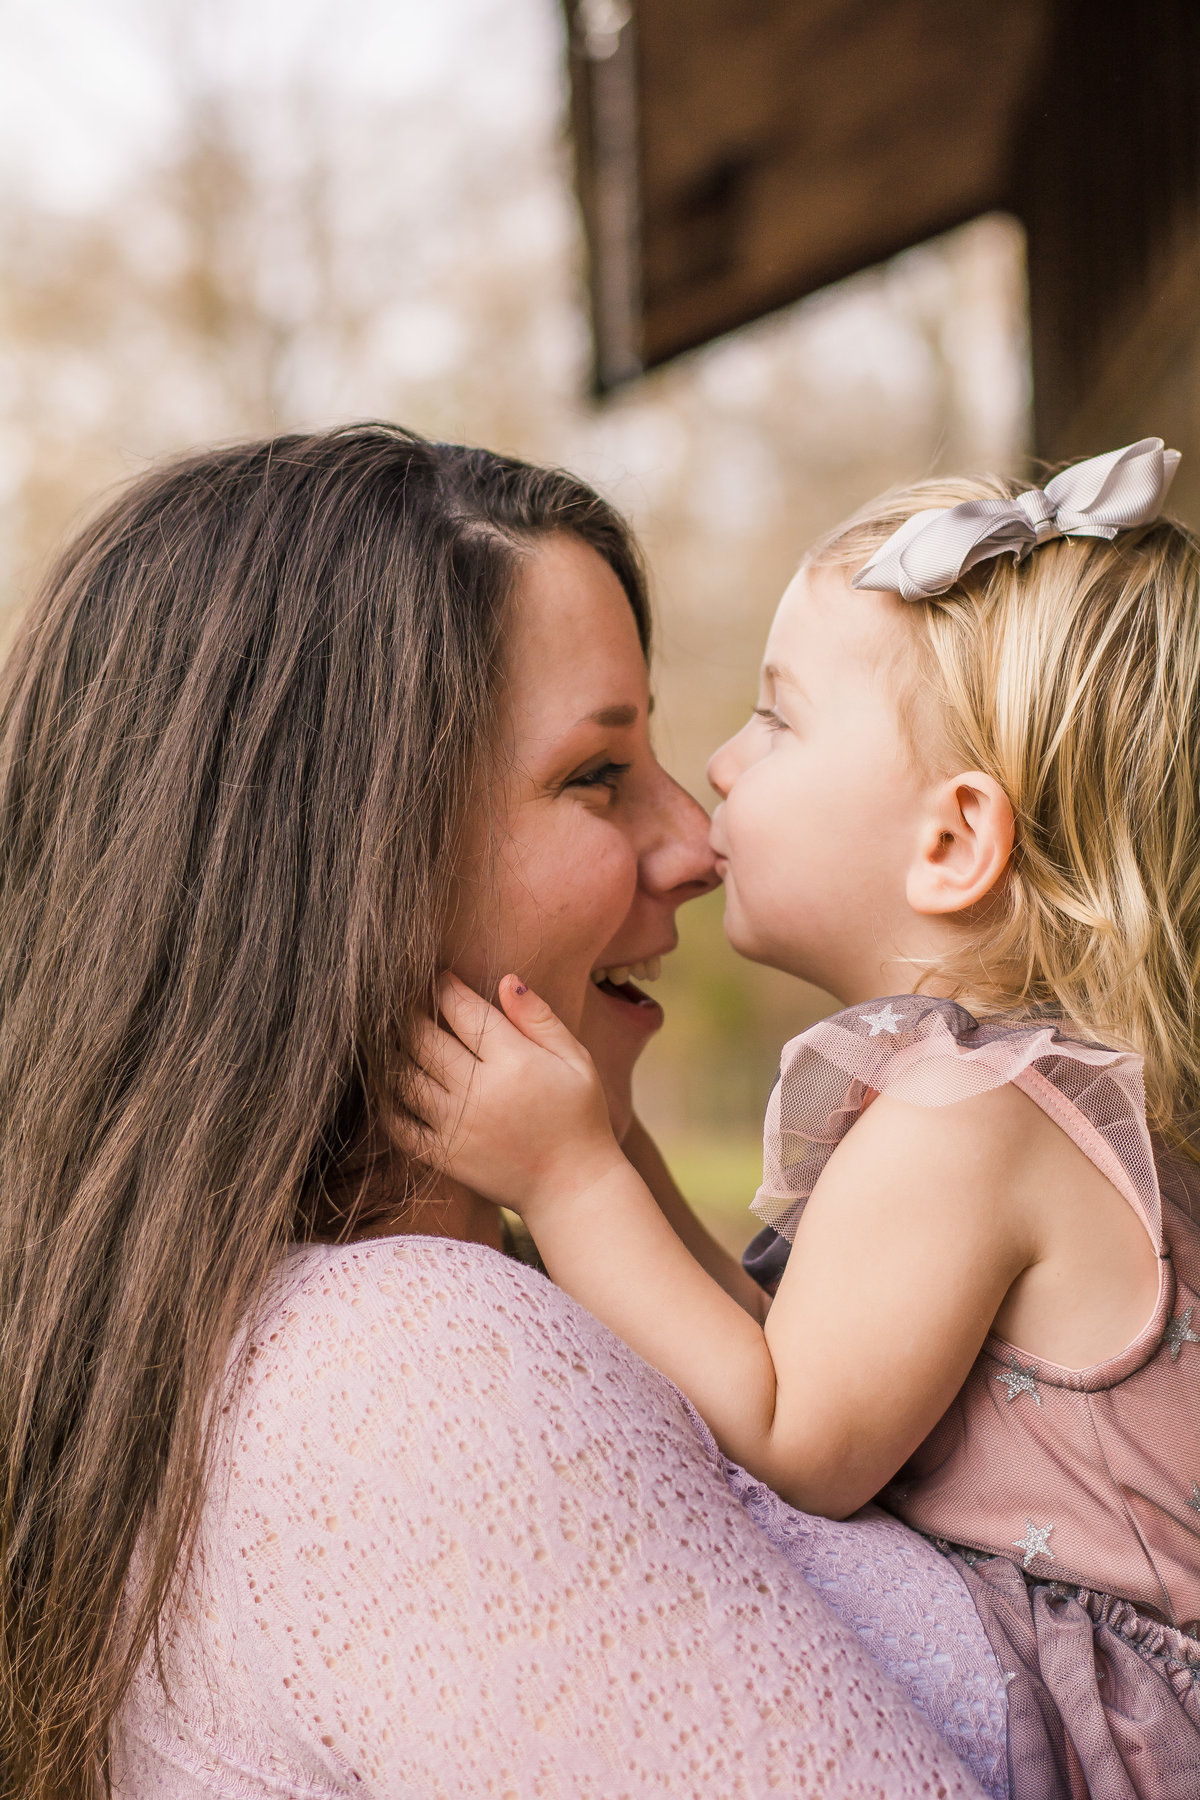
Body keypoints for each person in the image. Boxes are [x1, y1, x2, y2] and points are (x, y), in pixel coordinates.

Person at [0, 425, 1003, 1800]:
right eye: (596, 775)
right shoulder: (420, 1381)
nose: (699, 844)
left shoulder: (231, 1363)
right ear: (339, 868)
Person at [415, 439, 1200, 1799]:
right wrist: (618, 1144)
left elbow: (796, 1440)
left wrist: (569, 1178)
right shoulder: (992, 1090)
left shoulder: (972, 1113)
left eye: (777, 720)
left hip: (1130, 1710)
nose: (720, 762)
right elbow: (776, 1349)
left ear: (953, 843)